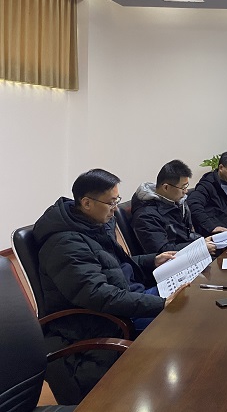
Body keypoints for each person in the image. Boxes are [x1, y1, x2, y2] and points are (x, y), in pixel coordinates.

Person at [33, 169, 186, 404]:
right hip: (107, 318)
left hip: (128, 298)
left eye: (117, 200)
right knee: (184, 321)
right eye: (111, 202)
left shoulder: (91, 224)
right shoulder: (64, 244)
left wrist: (152, 260)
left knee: (192, 300)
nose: (115, 208)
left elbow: (113, 266)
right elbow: (97, 294)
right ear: (86, 203)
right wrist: (161, 304)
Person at [131, 159, 216, 255]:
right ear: (166, 187)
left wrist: (202, 241)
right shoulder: (145, 216)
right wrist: (199, 246)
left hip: (189, 254)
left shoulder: (176, 202)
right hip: (175, 260)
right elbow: (162, 251)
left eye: (186, 186)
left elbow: (186, 235)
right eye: (183, 187)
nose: (186, 191)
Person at [188, 151, 227, 235]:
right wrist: (211, 227)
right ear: (221, 167)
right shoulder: (207, 185)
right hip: (226, 234)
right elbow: (193, 204)